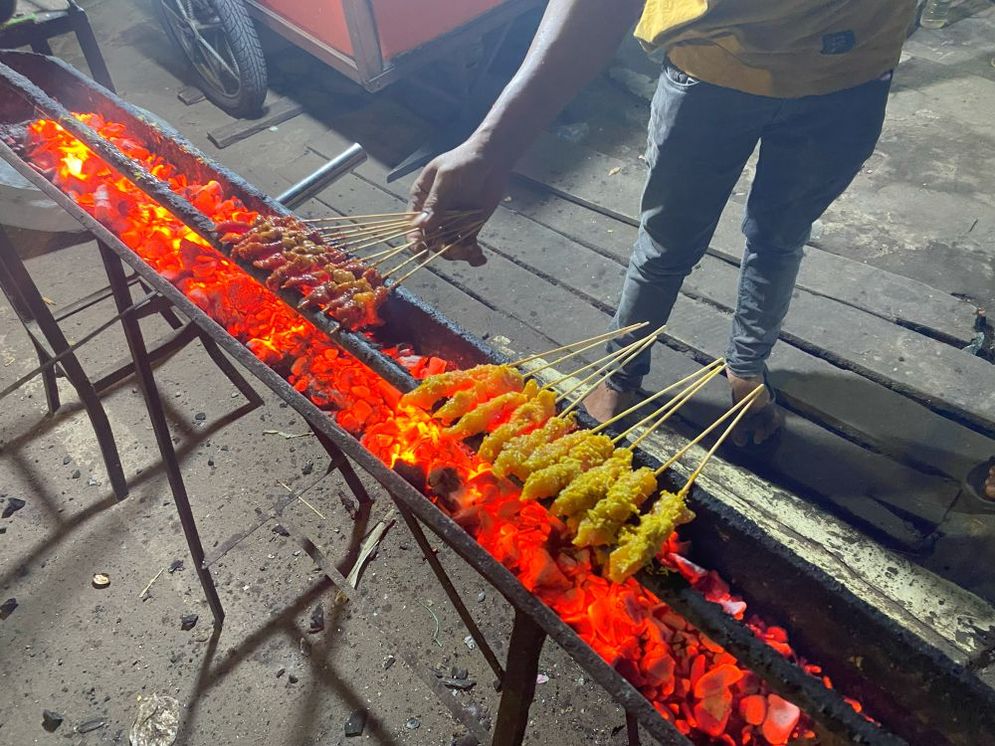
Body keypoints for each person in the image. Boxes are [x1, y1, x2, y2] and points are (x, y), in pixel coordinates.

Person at [410, 0, 917, 445]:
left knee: (780, 240)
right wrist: (491, 146)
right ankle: (621, 371)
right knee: (666, 244)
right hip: (711, 68)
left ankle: (746, 367)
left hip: (852, 75)